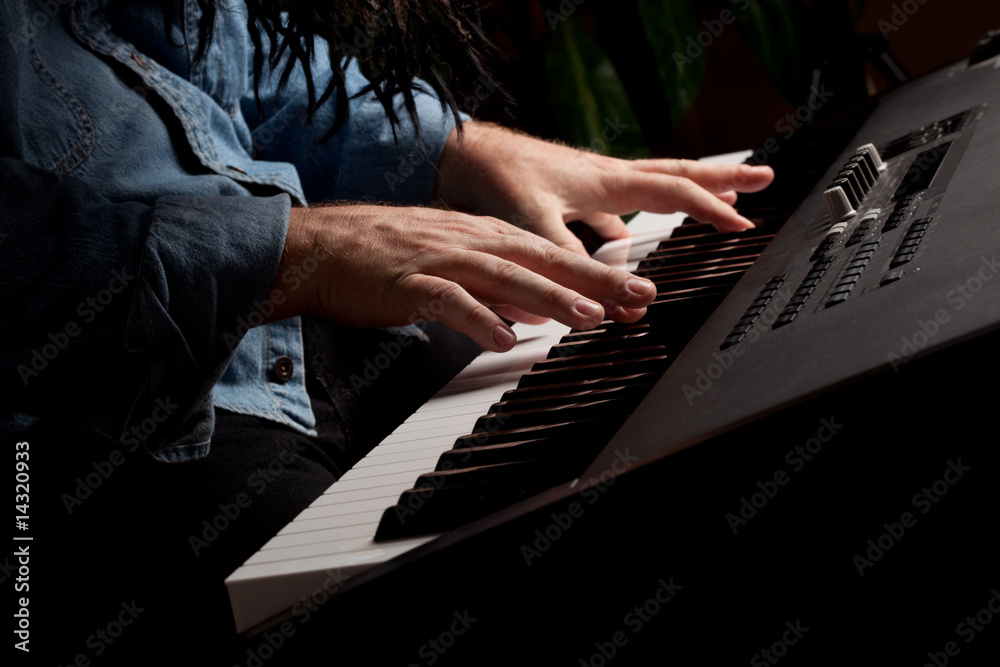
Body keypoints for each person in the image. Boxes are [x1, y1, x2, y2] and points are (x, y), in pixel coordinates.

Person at [1, 0, 773, 663]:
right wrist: (298, 251)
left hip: (290, 313)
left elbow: (223, 67)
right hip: (81, 413)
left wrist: (458, 150)